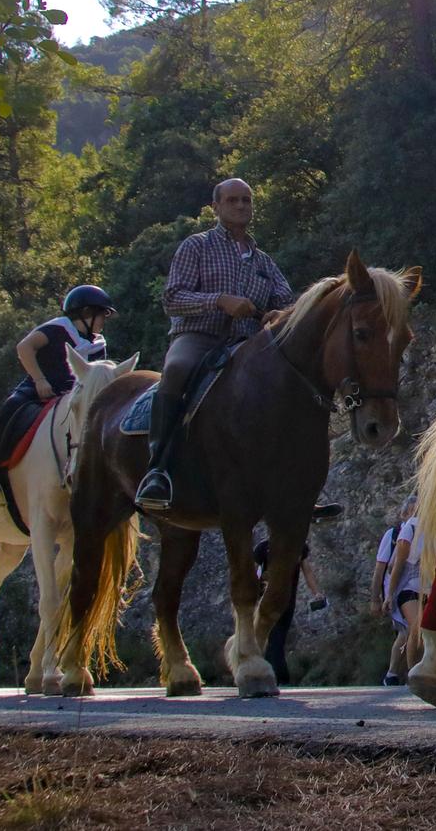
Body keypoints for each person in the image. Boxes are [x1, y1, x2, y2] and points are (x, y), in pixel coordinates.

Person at [136, 177, 295, 511]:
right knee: (177, 370)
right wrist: (219, 300)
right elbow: (172, 298)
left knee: (289, 383)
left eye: (246, 200)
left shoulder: (264, 261)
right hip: (198, 335)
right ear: (216, 207)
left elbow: (285, 298)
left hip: (248, 341)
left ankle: (292, 480)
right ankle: (157, 469)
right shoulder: (196, 246)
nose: (241, 206)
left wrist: (278, 314)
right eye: (233, 200)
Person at [0, 285, 116, 494]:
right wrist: (39, 380)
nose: (103, 321)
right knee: (10, 408)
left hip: (72, 396)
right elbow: (24, 348)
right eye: (102, 315)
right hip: (39, 390)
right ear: (86, 313)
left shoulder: (98, 344)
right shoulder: (57, 328)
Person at [252, 531, 324, 685]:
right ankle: (278, 675)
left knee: (275, 637)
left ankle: (272, 674)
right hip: (271, 601)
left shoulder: (270, 548)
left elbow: (307, 571)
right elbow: (255, 574)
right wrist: (316, 592)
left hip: (281, 600)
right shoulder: (266, 548)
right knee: (275, 637)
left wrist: (317, 592)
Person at [372, 494, 418, 685]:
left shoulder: (420, 531)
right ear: (404, 513)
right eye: (412, 510)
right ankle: (407, 673)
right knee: (409, 630)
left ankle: (394, 674)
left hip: (415, 587)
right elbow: (381, 568)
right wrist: (376, 598)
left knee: (407, 633)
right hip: (397, 589)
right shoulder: (393, 535)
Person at [383, 502, 424, 676]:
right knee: (414, 628)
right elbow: (393, 566)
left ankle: (422, 672)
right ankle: (409, 673)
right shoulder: (408, 529)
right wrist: (387, 595)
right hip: (407, 588)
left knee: (421, 634)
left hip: (428, 589)